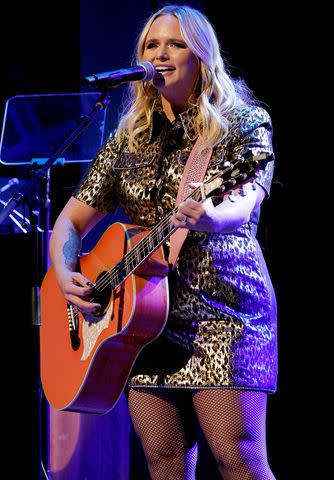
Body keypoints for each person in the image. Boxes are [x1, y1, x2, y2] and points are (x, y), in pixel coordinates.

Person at [49, 4, 277, 479]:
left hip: (223, 311)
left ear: (201, 56)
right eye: (152, 45)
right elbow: (69, 223)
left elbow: (244, 198)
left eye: (174, 44)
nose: (160, 53)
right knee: (164, 463)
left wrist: (210, 218)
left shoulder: (242, 122)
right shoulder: (128, 139)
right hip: (143, 319)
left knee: (238, 459)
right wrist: (65, 272)